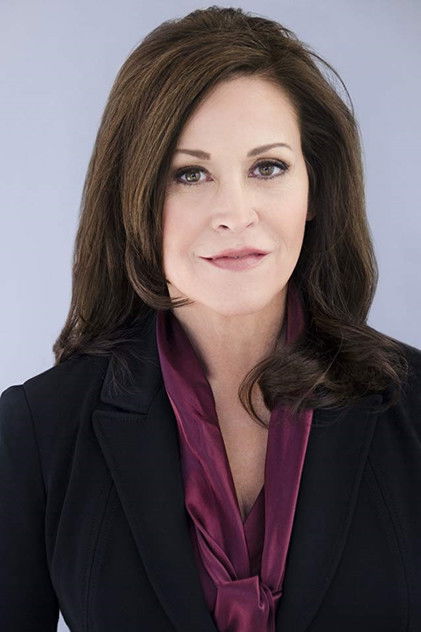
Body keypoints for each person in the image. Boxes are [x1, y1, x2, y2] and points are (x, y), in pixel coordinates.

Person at [1, 6, 420, 632]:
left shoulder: (414, 406)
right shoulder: (40, 430)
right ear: (135, 199)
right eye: (189, 174)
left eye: (268, 167)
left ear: (316, 188)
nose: (235, 212)